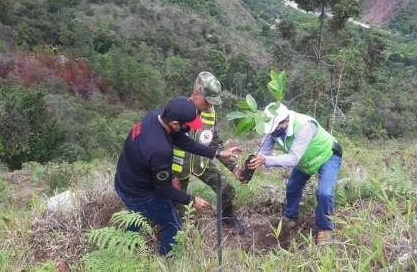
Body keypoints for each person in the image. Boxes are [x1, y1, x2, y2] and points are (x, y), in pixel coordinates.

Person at [114, 96, 242, 255]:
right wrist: (192, 200)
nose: (190, 129)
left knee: (135, 214)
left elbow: (186, 142)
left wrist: (219, 153)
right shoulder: (160, 149)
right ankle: (165, 261)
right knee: (173, 225)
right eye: (188, 126)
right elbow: (165, 190)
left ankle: (127, 247)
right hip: (138, 193)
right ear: (175, 124)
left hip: (124, 180)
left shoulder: (156, 117)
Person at [245, 103, 342, 244]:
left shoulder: (305, 125)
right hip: (305, 161)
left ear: (286, 121)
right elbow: (263, 152)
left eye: (276, 127)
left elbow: (292, 158)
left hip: (327, 156)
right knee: (292, 187)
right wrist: (250, 166)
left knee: (324, 193)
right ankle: (291, 218)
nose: (272, 131)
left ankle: (325, 228)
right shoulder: (272, 128)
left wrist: (265, 160)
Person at [171, 72, 246, 235]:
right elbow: (162, 144)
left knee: (227, 190)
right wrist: (169, 176)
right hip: (177, 167)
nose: (209, 105)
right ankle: (177, 230)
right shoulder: (177, 110)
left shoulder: (209, 113)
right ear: (195, 94)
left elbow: (214, 141)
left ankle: (226, 216)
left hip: (200, 162)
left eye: (212, 102)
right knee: (176, 207)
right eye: (207, 101)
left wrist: (234, 168)